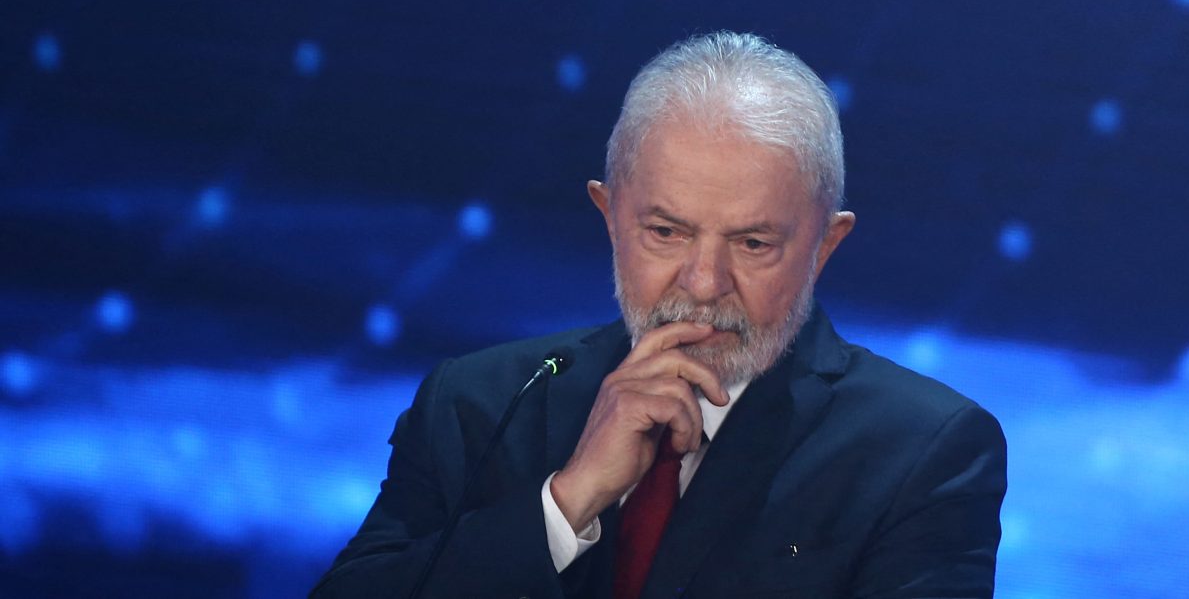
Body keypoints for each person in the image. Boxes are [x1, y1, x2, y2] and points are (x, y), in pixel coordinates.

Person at [312, 32, 1005, 598]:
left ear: (826, 245)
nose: (703, 284)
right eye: (666, 233)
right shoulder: (477, 404)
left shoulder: (923, 449)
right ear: (609, 215)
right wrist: (566, 503)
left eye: (753, 243)